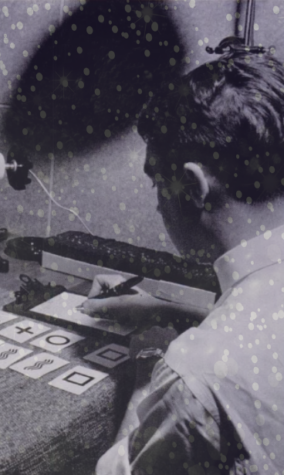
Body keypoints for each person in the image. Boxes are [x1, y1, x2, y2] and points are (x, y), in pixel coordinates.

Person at [81, 39, 284, 474]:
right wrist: (166, 310)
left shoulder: (195, 375)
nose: (158, 204)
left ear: (194, 188)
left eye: (157, 181)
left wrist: (148, 377)